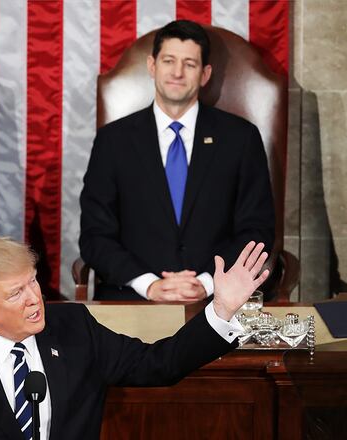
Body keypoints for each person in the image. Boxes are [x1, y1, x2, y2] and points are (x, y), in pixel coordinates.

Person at [0, 236, 268, 440]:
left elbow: (159, 365)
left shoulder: (74, 329)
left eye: (33, 281)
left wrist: (221, 310)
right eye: (15, 293)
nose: (35, 299)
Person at [79, 20, 275, 302]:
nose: (177, 72)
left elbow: (257, 230)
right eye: (168, 60)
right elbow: (95, 235)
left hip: (218, 300)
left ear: (205, 74)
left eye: (190, 64)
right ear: (152, 66)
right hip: (133, 299)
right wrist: (149, 285)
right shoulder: (113, 141)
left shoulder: (241, 138)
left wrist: (209, 282)